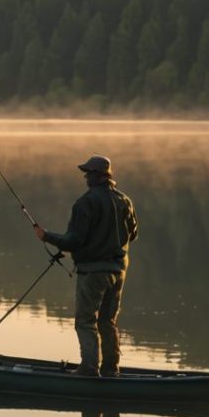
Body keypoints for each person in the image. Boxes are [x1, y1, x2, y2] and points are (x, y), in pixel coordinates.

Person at [32, 154, 138, 377]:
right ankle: (111, 370)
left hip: (93, 273)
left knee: (85, 321)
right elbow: (133, 234)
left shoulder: (85, 203)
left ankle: (89, 369)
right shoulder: (124, 200)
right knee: (107, 322)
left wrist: (46, 236)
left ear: (98, 176)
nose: (85, 177)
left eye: (88, 173)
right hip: (118, 271)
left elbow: (74, 241)